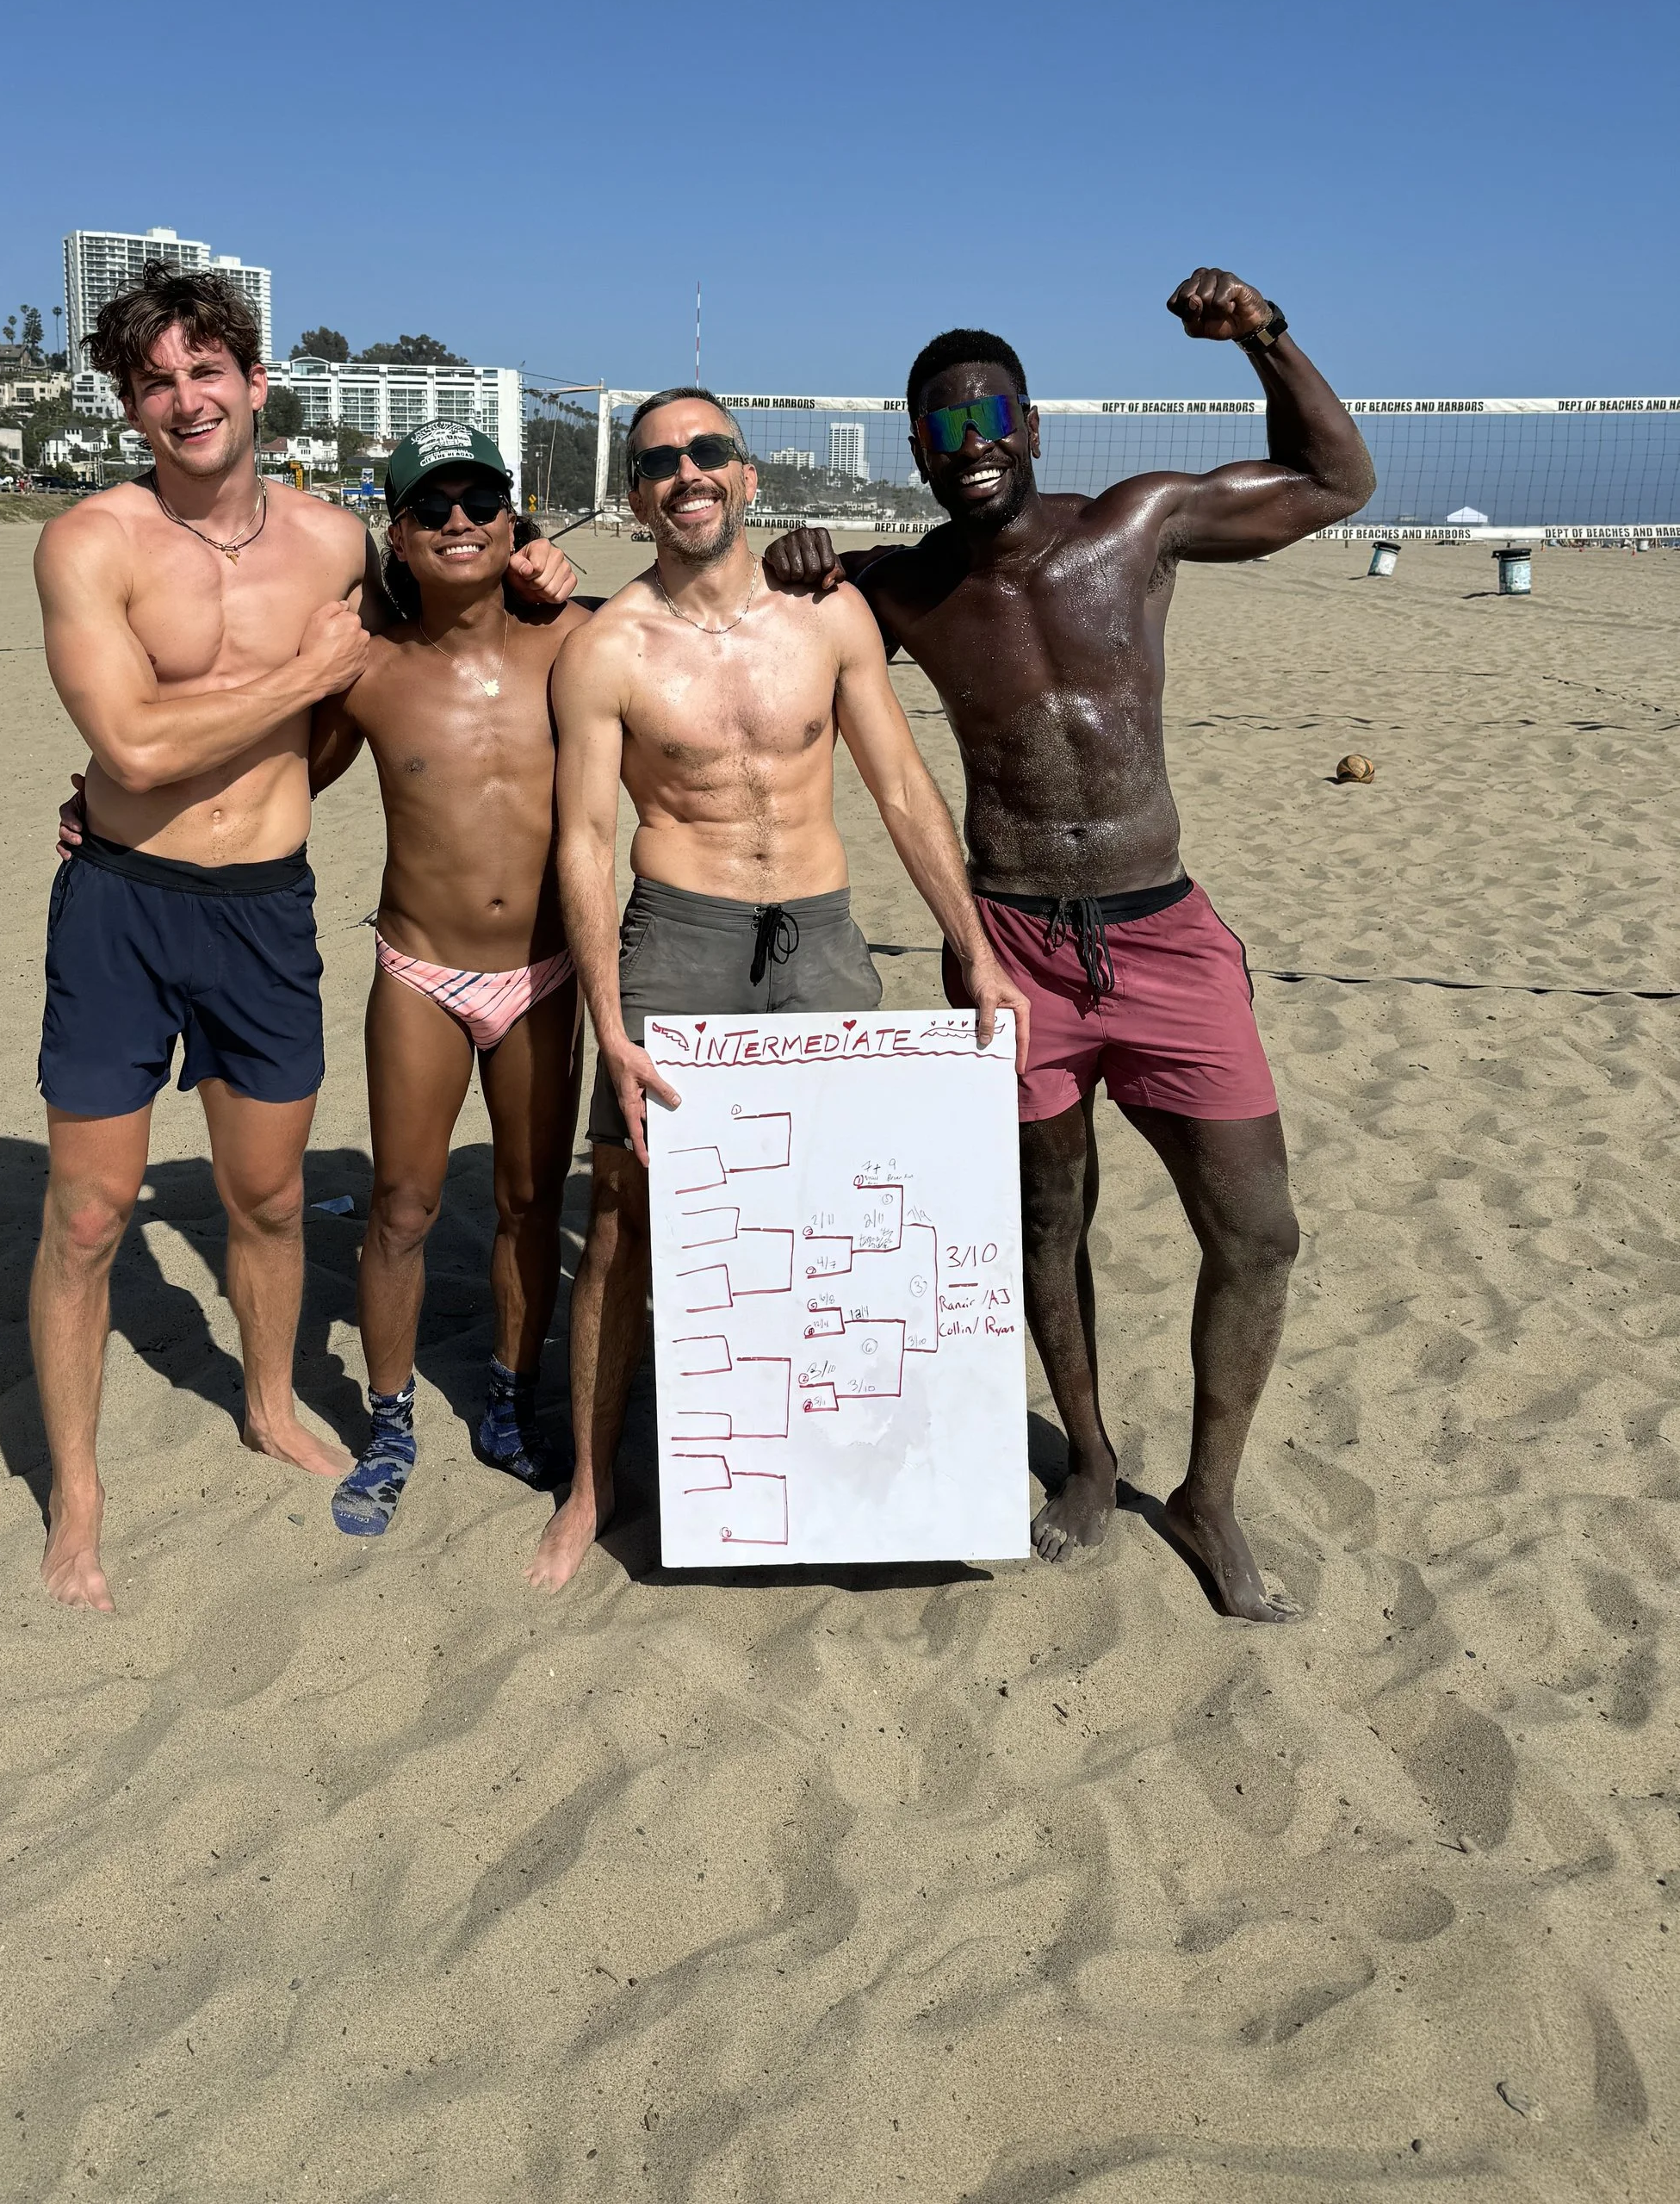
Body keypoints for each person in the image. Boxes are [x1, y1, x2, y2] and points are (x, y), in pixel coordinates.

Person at [763, 269, 1375, 1622]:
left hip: (1163, 932)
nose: (970, 447)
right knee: (1050, 1220)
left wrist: (1264, 340)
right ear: (913, 447)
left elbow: (1337, 481)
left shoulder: (1137, 525)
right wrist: (786, 555)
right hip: (1014, 946)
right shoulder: (900, 589)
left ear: (1031, 424)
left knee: (1259, 1232)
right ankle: (1091, 1458)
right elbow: (744, 609)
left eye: (989, 418)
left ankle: (1208, 1493)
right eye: (941, 429)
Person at [30, 263, 574, 1611]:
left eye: (206, 371)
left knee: (269, 1198)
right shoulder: (90, 542)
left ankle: (271, 1399)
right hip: (120, 900)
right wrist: (284, 690)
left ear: (255, 383)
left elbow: (431, 648)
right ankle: (80, 1500)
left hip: (263, 907)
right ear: (129, 401)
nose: (185, 399)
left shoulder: (340, 545)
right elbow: (141, 742)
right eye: (155, 380)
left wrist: (549, 554)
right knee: (94, 1210)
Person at [525, 387, 1029, 1594]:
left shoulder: (828, 617)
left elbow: (903, 788)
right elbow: (583, 840)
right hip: (678, 934)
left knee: (850, 1205)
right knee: (620, 1220)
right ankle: (593, 1485)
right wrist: (607, 1016)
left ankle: (842, 1467)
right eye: (659, 461)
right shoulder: (605, 650)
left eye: (707, 452)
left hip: (820, 927)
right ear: (637, 492)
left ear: (747, 477)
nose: (685, 474)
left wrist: (972, 945)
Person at [305, 423, 591, 1537]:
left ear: (516, 521)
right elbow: (275, 784)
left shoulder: (576, 640)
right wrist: (114, 812)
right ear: (401, 534)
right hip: (419, 972)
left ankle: (511, 1402)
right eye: (435, 506)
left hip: (548, 974)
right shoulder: (370, 671)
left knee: (526, 1202)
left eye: (482, 499)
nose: (461, 518)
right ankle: (388, 1416)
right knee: (404, 1203)